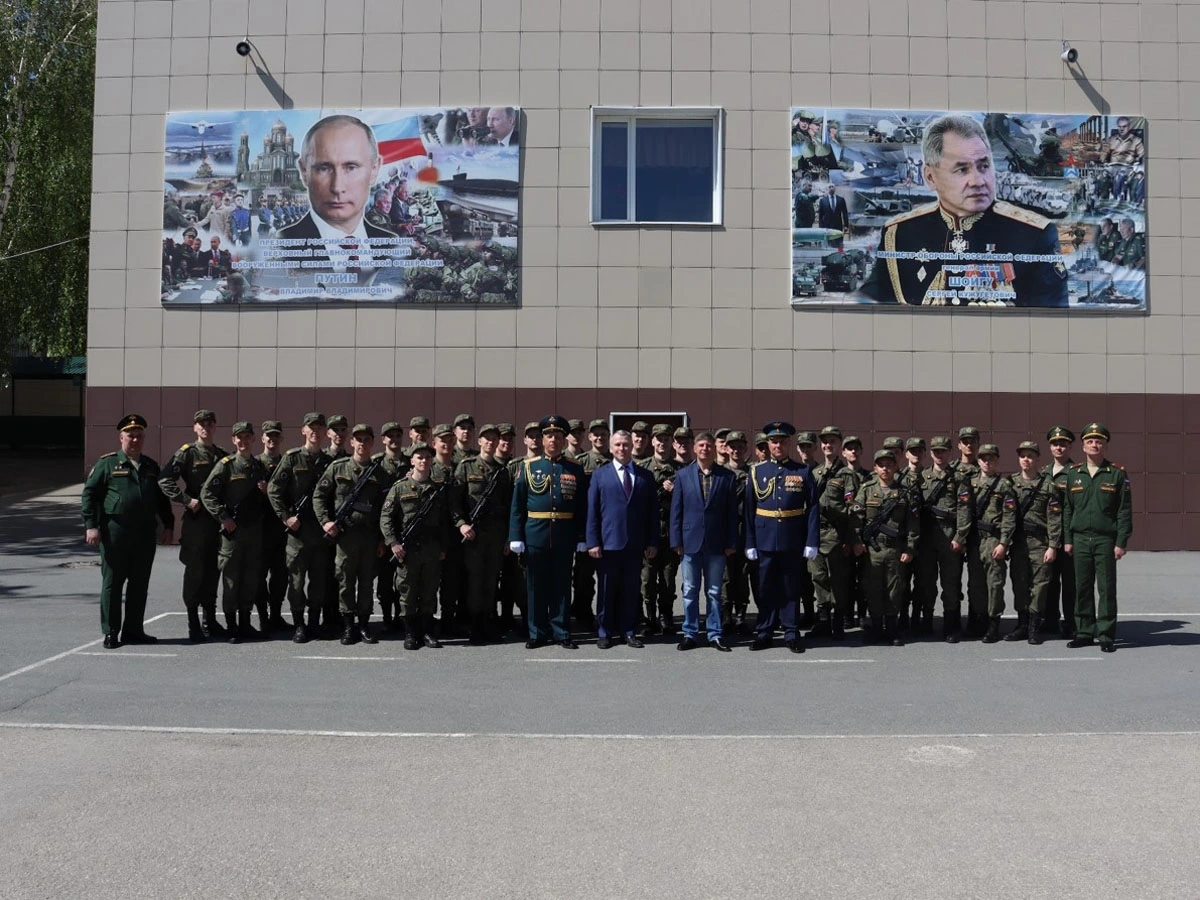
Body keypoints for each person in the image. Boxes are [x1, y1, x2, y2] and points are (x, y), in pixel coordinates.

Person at [861, 113, 1068, 307]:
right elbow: (872, 306)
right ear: (930, 177)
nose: (978, 181)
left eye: (984, 166)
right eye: (962, 169)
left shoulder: (1035, 236)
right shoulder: (899, 234)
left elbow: (1051, 320)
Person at [81, 414, 174, 648]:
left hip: (144, 533)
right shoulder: (107, 464)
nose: (135, 440)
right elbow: (89, 495)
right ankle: (111, 631)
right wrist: (91, 526)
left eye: (139, 436)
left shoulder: (150, 466)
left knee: (139, 584)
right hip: (116, 531)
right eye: (131, 435)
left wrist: (168, 524)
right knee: (113, 583)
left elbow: (161, 500)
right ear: (121, 437)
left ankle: (134, 631)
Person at [508, 416, 587, 649]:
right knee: (536, 586)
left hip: (564, 534)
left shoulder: (574, 468)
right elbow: (518, 505)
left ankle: (561, 632)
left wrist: (581, 536)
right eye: (550, 436)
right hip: (536, 534)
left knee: (561, 585)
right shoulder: (529, 467)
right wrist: (516, 536)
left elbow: (581, 506)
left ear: (564, 440)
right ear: (543, 440)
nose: (554, 440)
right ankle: (537, 633)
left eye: (558, 436)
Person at [277, 114, 397, 267]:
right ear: (304, 172)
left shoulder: (393, 246)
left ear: (374, 169)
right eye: (324, 168)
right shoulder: (280, 248)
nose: (337, 187)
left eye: (351, 168)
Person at [744, 421, 820, 653]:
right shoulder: (757, 471)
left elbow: (813, 508)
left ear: (789, 444)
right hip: (764, 538)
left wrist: (811, 541)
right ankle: (765, 632)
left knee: (790, 588)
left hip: (791, 538)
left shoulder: (802, 471)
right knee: (765, 588)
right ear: (768, 444)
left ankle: (791, 632)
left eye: (782, 442)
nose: (778, 446)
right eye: (774, 442)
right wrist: (750, 542)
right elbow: (749, 509)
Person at [312, 424, 391, 645]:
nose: (362, 444)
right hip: (345, 537)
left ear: (372, 443)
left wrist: (382, 539)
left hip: (369, 537)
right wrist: (325, 522)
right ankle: (348, 627)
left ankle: (363, 625)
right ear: (352, 442)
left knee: (366, 583)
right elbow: (319, 496)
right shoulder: (338, 467)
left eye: (366, 440)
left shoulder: (380, 473)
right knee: (345, 582)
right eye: (359, 439)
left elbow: (385, 509)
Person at [159, 409, 228, 641]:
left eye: (209, 423)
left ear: (215, 427)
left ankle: (210, 620)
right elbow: (165, 479)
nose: (205, 427)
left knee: (213, 570)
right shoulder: (187, 453)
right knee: (195, 571)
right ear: (195, 427)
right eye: (201, 424)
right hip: (197, 522)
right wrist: (187, 501)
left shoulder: (222, 455)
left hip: (216, 521)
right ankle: (193, 622)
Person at [1063, 424, 1133, 653]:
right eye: (1090, 441)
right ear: (1083, 446)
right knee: (1081, 588)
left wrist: (1121, 542)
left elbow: (1124, 511)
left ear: (1105, 445)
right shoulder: (1074, 473)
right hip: (1080, 539)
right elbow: (1067, 510)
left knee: (1106, 589)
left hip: (1105, 540)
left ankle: (1105, 634)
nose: (1095, 445)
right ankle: (1084, 632)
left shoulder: (1117, 474)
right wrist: (1068, 539)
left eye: (1099, 441)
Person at [200, 421, 270, 643]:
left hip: (254, 531)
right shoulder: (226, 465)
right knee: (231, 580)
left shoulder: (259, 466)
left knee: (250, 578)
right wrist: (224, 517)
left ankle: (245, 623)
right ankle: (232, 626)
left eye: (247, 437)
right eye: (239, 437)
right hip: (233, 533)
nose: (243, 441)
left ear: (253, 439)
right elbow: (207, 494)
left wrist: (266, 492)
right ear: (233, 440)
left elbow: (271, 498)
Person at [587, 430, 658, 649]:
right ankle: (605, 632)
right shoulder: (600, 475)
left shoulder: (646, 476)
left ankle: (629, 631)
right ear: (611, 448)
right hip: (608, 544)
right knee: (606, 591)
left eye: (625, 444)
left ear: (632, 447)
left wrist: (652, 541)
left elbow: (652, 513)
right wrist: (593, 541)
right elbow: (592, 511)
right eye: (617, 445)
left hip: (635, 544)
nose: (622, 448)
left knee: (631, 590)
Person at [266, 412, 332, 643]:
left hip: (320, 532)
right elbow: (273, 489)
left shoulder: (329, 461)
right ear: (303, 431)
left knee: (319, 581)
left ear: (325, 432)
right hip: (298, 532)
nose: (315, 432)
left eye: (319, 428)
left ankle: (314, 623)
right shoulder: (292, 458)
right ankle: (299, 625)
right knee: (296, 582)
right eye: (311, 428)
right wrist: (286, 517)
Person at [669, 431, 738, 651]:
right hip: (690, 542)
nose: (705, 449)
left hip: (717, 543)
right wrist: (676, 540)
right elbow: (676, 511)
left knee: (714, 592)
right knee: (690, 590)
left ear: (714, 449)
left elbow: (731, 514)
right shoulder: (683, 475)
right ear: (695, 448)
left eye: (708, 445)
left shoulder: (727, 477)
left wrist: (731, 542)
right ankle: (690, 633)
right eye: (701, 445)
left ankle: (714, 633)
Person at [381, 443, 452, 650]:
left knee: (429, 591)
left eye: (427, 457)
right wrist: (393, 542)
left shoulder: (437, 489)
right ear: (412, 461)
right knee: (407, 592)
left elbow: (444, 522)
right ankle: (411, 633)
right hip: (408, 549)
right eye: (419, 457)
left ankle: (427, 632)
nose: (424, 461)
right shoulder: (400, 487)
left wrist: (443, 547)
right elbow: (386, 517)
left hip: (431, 549)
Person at [452, 424, 514, 644]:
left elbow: (510, 505)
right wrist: (461, 524)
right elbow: (454, 501)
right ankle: (475, 625)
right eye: (486, 439)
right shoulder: (466, 467)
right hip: (474, 535)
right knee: (475, 581)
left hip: (496, 535)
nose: (490, 442)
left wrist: (508, 537)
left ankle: (488, 622)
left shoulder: (503, 471)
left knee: (491, 579)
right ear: (479, 442)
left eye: (494, 439)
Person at [851, 450, 920, 646]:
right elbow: (856, 519)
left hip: (895, 549)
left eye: (889, 465)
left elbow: (913, 524)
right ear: (875, 468)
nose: (885, 469)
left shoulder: (905, 492)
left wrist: (910, 548)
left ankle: (891, 629)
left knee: (894, 590)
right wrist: (857, 541)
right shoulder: (866, 489)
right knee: (872, 589)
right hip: (872, 551)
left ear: (896, 467)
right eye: (881, 465)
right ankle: (875, 627)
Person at [918, 435, 972, 642]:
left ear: (950, 452)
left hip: (950, 537)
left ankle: (951, 625)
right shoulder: (921, 477)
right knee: (926, 581)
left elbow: (964, 510)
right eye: (936, 451)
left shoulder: (959, 478)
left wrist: (960, 536)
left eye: (943, 451)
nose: (939, 455)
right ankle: (927, 621)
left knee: (950, 583)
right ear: (931, 453)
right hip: (927, 537)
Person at [807, 426, 859, 640]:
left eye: (832, 442)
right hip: (816, 532)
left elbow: (853, 509)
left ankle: (838, 622)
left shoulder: (846, 474)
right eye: (825, 442)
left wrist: (849, 539)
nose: (828, 445)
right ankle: (823, 620)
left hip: (836, 533)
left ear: (839, 445)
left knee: (838, 579)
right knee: (818, 577)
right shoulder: (814, 472)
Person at [1008, 441, 1062, 644]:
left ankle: (1034, 627)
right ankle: (1022, 624)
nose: (1026, 459)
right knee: (1019, 583)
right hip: (1018, 542)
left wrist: (1053, 546)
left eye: (1030, 456)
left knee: (1040, 586)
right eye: (1023, 456)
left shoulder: (1048, 486)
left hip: (1040, 543)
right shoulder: (1010, 483)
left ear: (1038, 459)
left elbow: (1054, 519)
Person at [964, 444, 1016, 643]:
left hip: (993, 539)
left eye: (991, 459)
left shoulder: (1003, 486)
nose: (987, 462)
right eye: (983, 459)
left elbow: (1009, 517)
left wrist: (1004, 543)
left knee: (994, 583)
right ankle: (979, 621)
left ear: (997, 461)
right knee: (975, 584)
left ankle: (993, 625)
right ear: (978, 461)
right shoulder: (969, 483)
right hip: (975, 539)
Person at [639, 423, 680, 635]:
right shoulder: (642, 467)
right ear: (652, 441)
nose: (662, 443)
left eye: (666, 439)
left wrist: (675, 492)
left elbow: (690, 501)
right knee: (647, 579)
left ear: (672, 443)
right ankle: (649, 618)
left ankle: (666, 617)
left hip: (671, 531)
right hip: (648, 531)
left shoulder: (681, 469)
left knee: (668, 578)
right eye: (659, 439)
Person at [373, 422, 410, 632]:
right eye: (390, 436)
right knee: (385, 578)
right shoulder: (376, 464)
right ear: (383, 440)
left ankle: (402, 616)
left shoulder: (410, 462)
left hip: (406, 528)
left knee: (405, 578)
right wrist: (381, 538)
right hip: (384, 529)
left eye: (397, 435)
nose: (394, 439)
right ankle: (388, 617)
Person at [1043, 425, 1077, 637]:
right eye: (1055, 444)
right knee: (1049, 580)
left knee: (1071, 582)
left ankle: (1072, 622)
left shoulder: (1076, 472)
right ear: (1050, 447)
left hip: (1068, 537)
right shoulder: (1044, 472)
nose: (1059, 447)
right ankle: (1050, 620)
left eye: (1063, 444)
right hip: (1047, 537)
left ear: (1070, 446)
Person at [255, 420, 289, 633]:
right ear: (263, 438)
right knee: (259, 575)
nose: (272, 439)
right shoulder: (255, 463)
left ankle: (276, 615)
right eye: (269, 436)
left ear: (281, 438)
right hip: (260, 528)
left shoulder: (287, 463)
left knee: (281, 575)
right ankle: (263, 617)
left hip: (281, 528)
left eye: (276, 436)